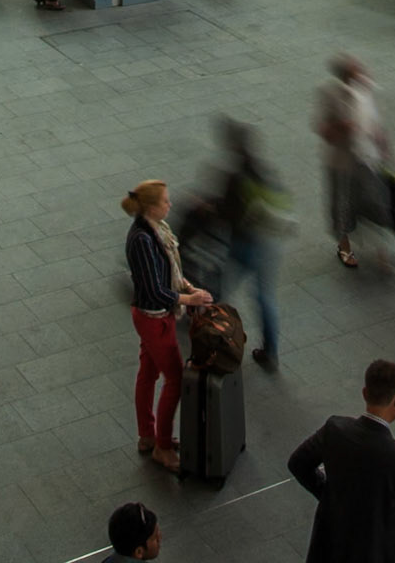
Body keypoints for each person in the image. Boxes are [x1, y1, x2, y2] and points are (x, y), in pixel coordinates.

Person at [287, 358, 395, 563]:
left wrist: (328, 495)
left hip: (332, 550)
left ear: (365, 393)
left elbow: (298, 463)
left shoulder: (335, 429)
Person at [122, 179, 212, 471]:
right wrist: (190, 297)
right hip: (155, 318)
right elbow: (155, 290)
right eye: (165, 201)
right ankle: (162, 446)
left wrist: (188, 287)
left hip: (153, 315)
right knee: (174, 379)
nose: (170, 205)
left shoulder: (155, 230)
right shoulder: (143, 240)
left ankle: (147, 435)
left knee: (148, 373)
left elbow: (170, 272)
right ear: (150, 207)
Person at [217, 120, 286, 372]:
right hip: (268, 242)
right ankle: (270, 351)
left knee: (220, 289)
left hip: (243, 244)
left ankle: (217, 338)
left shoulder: (234, 177)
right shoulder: (263, 170)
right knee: (265, 297)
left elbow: (226, 213)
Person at [315, 56, 391, 271]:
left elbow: (375, 121)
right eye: (356, 70)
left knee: (377, 201)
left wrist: (383, 147)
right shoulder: (329, 93)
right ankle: (344, 245)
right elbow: (322, 129)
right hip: (342, 161)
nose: (362, 73)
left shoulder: (366, 88)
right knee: (341, 205)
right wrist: (342, 126)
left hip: (368, 157)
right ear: (345, 76)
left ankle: (381, 249)